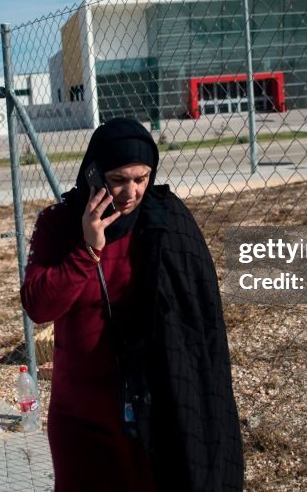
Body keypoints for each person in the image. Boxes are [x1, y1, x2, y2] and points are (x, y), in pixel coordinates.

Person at [20, 117, 243, 492]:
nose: (131, 191)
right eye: (119, 179)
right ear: (93, 174)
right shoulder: (58, 224)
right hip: (80, 409)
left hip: (151, 399)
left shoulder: (163, 222)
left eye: (141, 178)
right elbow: (39, 306)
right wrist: (87, 248)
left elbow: (198, 312)